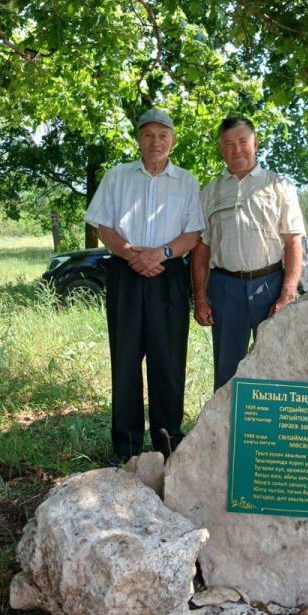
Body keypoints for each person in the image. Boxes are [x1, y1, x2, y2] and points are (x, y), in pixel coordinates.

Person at [85, 109, 204, 464]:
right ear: (138, 139)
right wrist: (130, 254)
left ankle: (168, 444)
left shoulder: (187, 182)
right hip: (125, 271)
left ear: (173, 141)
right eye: (148, 135)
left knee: (167, 361)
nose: (156, 142)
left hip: (168, 277)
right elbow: (103, 226)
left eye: (163, 135)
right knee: (125, 359)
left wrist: (160, 255)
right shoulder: (118, 177)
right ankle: (127, 447)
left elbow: (194, 234)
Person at [191, 116, 304, 390]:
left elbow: (293, 241)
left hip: (270, 284)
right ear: (221, 149)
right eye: (228, 144)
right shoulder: (210, 191)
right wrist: (200, 297)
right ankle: (228, 429)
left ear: (255, 143)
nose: (236, 149)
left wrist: (288, 292)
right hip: (225, 287)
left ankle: (272, 430)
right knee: (228, 371)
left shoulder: (279, 185)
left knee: (276, 365)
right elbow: (201, 248)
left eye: (242, 142)